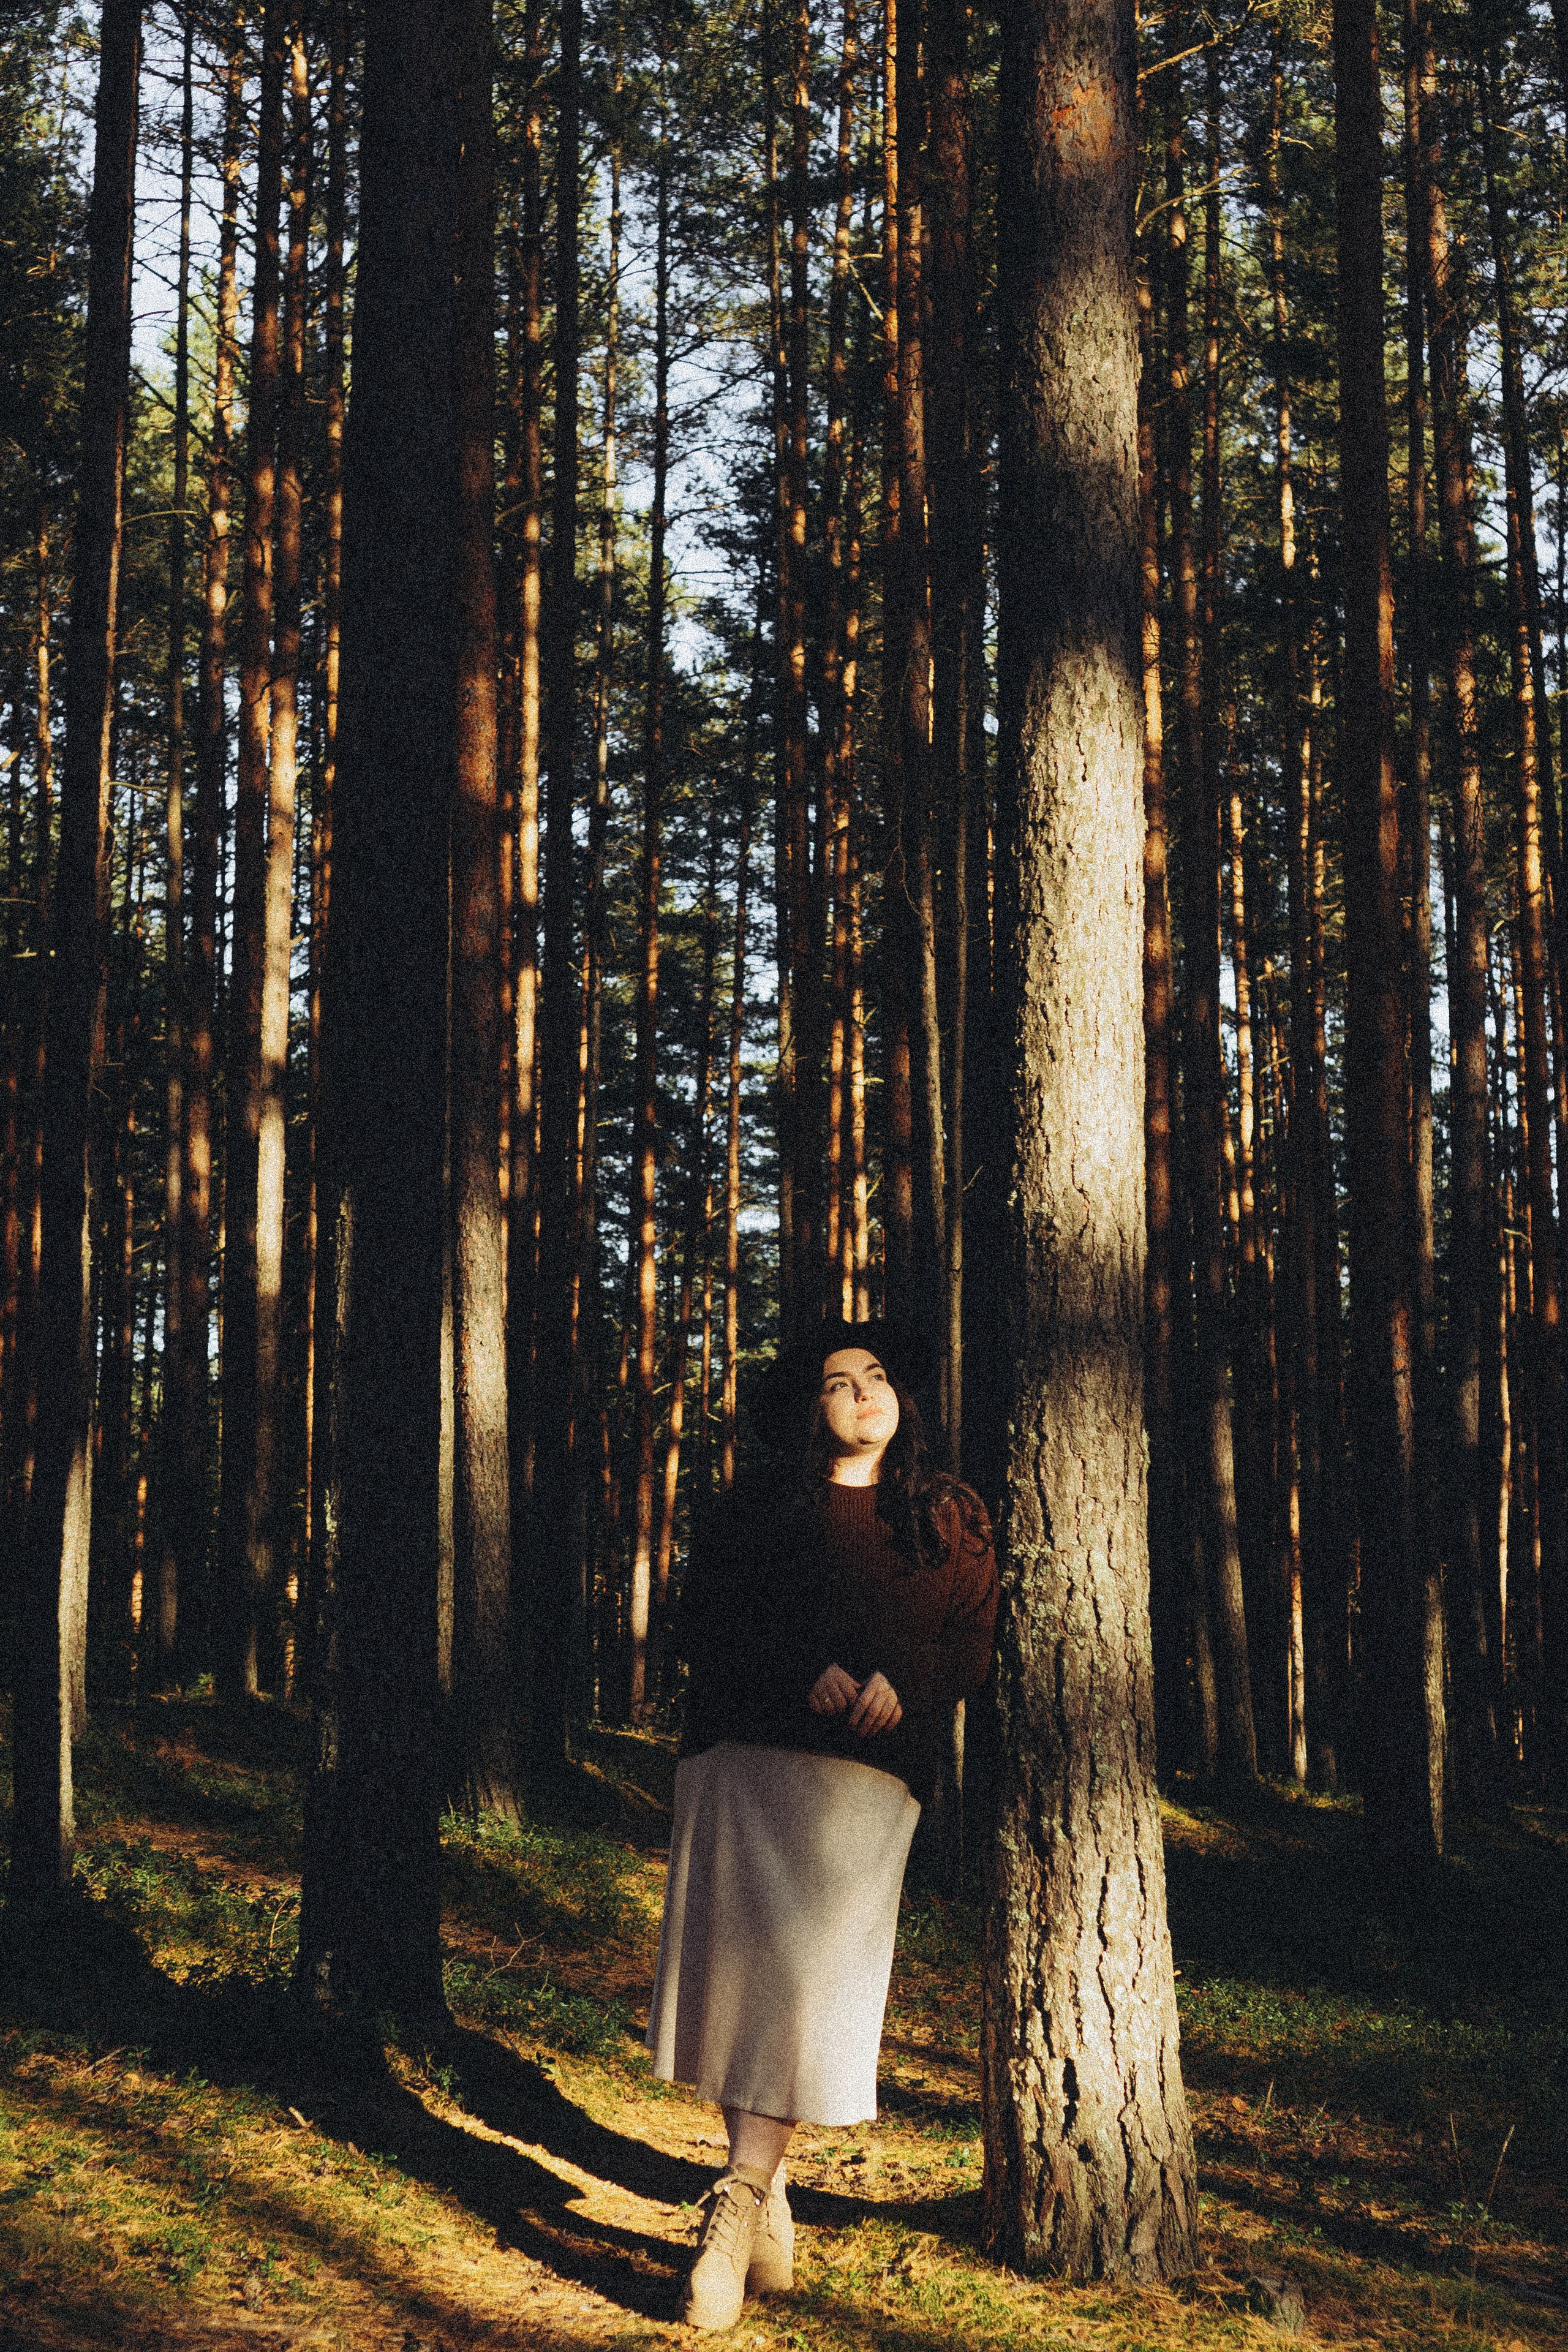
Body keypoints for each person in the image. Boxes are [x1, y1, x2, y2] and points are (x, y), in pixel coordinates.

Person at [646, 1318, 998, 2332]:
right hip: (744, 1755)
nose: (864, 1394)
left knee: (806, 1987)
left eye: (879, 1377)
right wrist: (797, 1668)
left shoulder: (951, 1516)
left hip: (867, 1780)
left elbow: (971, 1640)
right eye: (839, 1383)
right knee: (745, 1981)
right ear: (811, 1412)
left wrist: (909, 1682)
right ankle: (761, 2190)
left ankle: (736, 2202)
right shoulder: (758, 1508)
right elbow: (701, 1622)